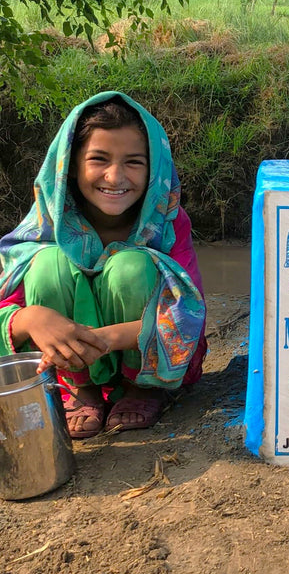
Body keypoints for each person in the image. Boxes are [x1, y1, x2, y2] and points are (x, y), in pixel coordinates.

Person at [0, 92, 207, 438]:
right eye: (99, 159)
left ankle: (142, 389)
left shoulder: (168, 223)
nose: (115, 177)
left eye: (134, 162)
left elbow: (189, 314)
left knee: (132, 267)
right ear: (69, 166)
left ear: (155, 169)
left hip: (136, 356)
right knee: (47, 263)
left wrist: (105, 338)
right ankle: (80, 390)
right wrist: (30, 318)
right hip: (66, 362)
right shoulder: (43, 225)